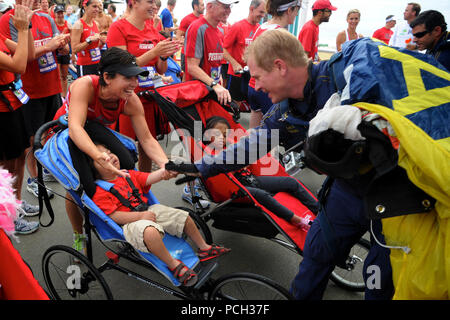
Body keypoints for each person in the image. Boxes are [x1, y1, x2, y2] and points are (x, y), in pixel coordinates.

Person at [63, 47, 177, 255]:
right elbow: (75, 129)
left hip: (96, 131)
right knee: (79, 184)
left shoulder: (131, 99)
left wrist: (164, 164)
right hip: (68, 131)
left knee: (125, 163)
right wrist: (98, 156)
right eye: (128, 78)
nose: (134, 84)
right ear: (107, 77)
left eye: (136, 78)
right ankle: (79, 234)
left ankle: (125, 215)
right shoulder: (84, 85)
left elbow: (146, 138)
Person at [90, 143, 230, 286]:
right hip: (130, 223)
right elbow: (113, 216)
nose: (110, 156)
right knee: (150, 232)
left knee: (183, 216)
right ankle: (173, 264)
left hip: (148, 209)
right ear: (94, 171)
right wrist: (139, 217)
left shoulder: (128, 174)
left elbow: (149, 178)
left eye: (109, 151)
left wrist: (165, 172)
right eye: (102, 158)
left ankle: (204, 248)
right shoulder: (100, 192)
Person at [106, 0, 181, 173]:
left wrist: (163, 56)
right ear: (134, 2)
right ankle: (124, 188)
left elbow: (159, 69)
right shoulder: (118, 28)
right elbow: (121, 68)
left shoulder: (151, 29)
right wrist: (154, 52)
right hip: (125, 98)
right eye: (150, 2)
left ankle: (144, 188)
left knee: (147, 146)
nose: (155, 6)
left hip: (148, 97)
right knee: (123, 149)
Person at [204, 116, 318, 228]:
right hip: (235, 188)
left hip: (250, 179)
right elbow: (219, 179)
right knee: (262, 195)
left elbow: (246, 161)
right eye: (217, 134)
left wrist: (240, 164)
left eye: (224, 135)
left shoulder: (229, 146)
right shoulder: (207, 154)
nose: (222, 138)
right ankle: (295, 219)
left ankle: (319, 209)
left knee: (291, 182)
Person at [0, 1, 40, 233]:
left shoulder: (2, 37)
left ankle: (14, 204)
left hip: (14, 105)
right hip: (2, 112)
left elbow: (30, 55)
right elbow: (19, 65)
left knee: (18, 160)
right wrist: (23, 29)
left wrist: (28, 26)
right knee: (5, 167)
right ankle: (8, 216)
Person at [246, 0, 301, 129]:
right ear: (289, 10)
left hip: (253, 86)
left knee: (253, 133)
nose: (297, 14)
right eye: (297, 10)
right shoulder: (281, 34)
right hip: (268, 90)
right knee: (272, 135)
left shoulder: (262, 26)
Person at [184, 0, 237, 107]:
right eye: (225, 7)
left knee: (214, 122)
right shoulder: (197, 28)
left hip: (213, 93)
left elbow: (215, 62)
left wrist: (219, 79)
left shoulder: (219, 31)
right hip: (198, 96)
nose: (229, 11)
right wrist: (214, 84)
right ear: (209, 6)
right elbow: (191, 67)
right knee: (198, 124)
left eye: (230, 7)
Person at [223, 0, 265, 110]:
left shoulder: (260, 29)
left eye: (264, 12)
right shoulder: (238, 26)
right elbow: (223, 49)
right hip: (237, 73)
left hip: (251, 74)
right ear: (251, 9)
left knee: (253, 105)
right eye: (261, 12)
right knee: (234, 105)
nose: (263, 15)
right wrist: (234, 63)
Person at [71, 0, 102, 77]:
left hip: (97, 63)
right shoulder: (78, 25)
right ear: (85, 7)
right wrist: (89, 40)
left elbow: (96, 46)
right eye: (94, 6)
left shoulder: (96, 24)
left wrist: (102, 42)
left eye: (98, 7)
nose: (97, 9)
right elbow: (74, 49)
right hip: (85, 65)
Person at [177, 0, 204, 76]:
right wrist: (183, 42)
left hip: (200, 55)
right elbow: (178, 35)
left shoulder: (204, 19)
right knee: (186, 77)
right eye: (202, 5)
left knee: (200, 77)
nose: (204, 7)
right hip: (187, 54)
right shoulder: (186, 19)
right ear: (196, 6)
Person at [54, 4, 71, 98]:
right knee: (57, 76)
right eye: (58, 13)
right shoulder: (53, 23)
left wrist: (72, 54)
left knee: (64, 76)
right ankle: (58, 96)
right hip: (56, 52)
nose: (60, 15)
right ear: (55, 14)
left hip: (65, 52)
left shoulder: (68, 24)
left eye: (61, 13)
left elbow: (73, 38)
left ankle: (64, 97)